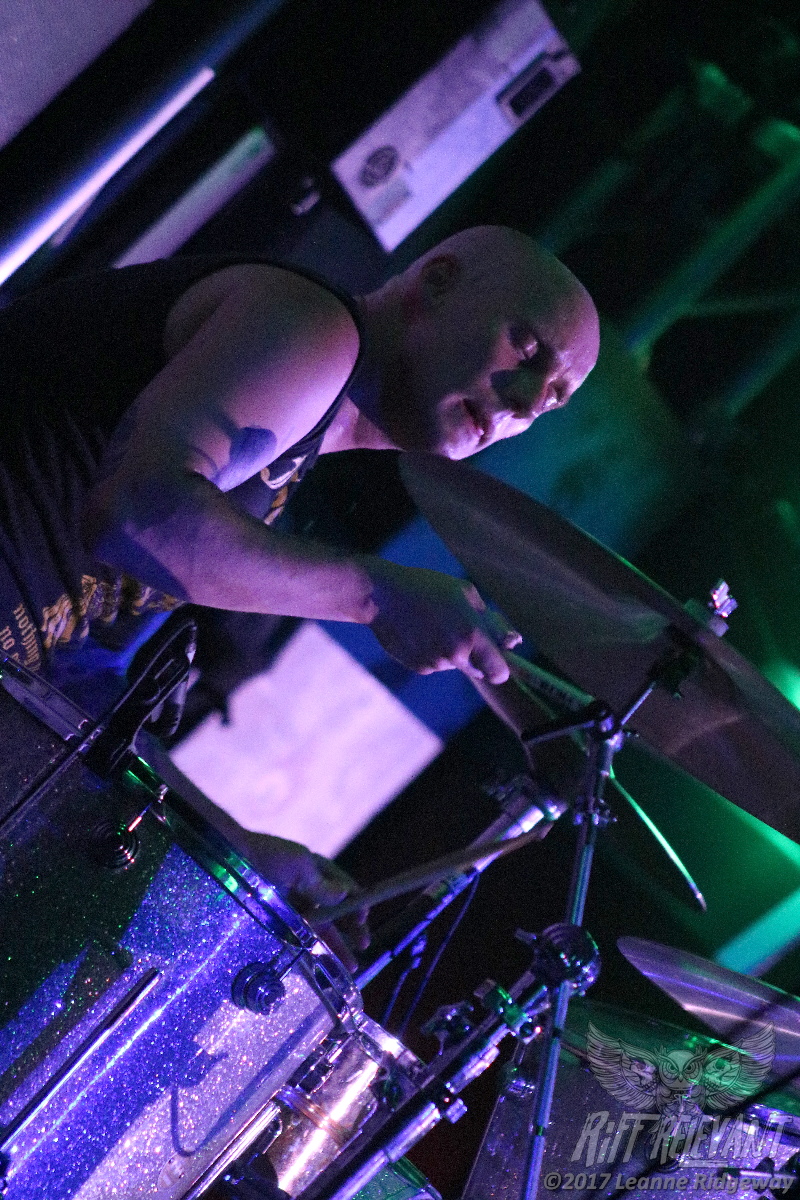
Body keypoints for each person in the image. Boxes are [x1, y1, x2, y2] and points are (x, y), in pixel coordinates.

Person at [0, 224, 599, 963]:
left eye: (553, 400)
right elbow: (133, 517)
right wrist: (375, 594)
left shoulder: (290, 451)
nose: (527, 402)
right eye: (526, 350)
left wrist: (231, 844)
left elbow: (82, 676)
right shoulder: (310, 326)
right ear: (436, 283)